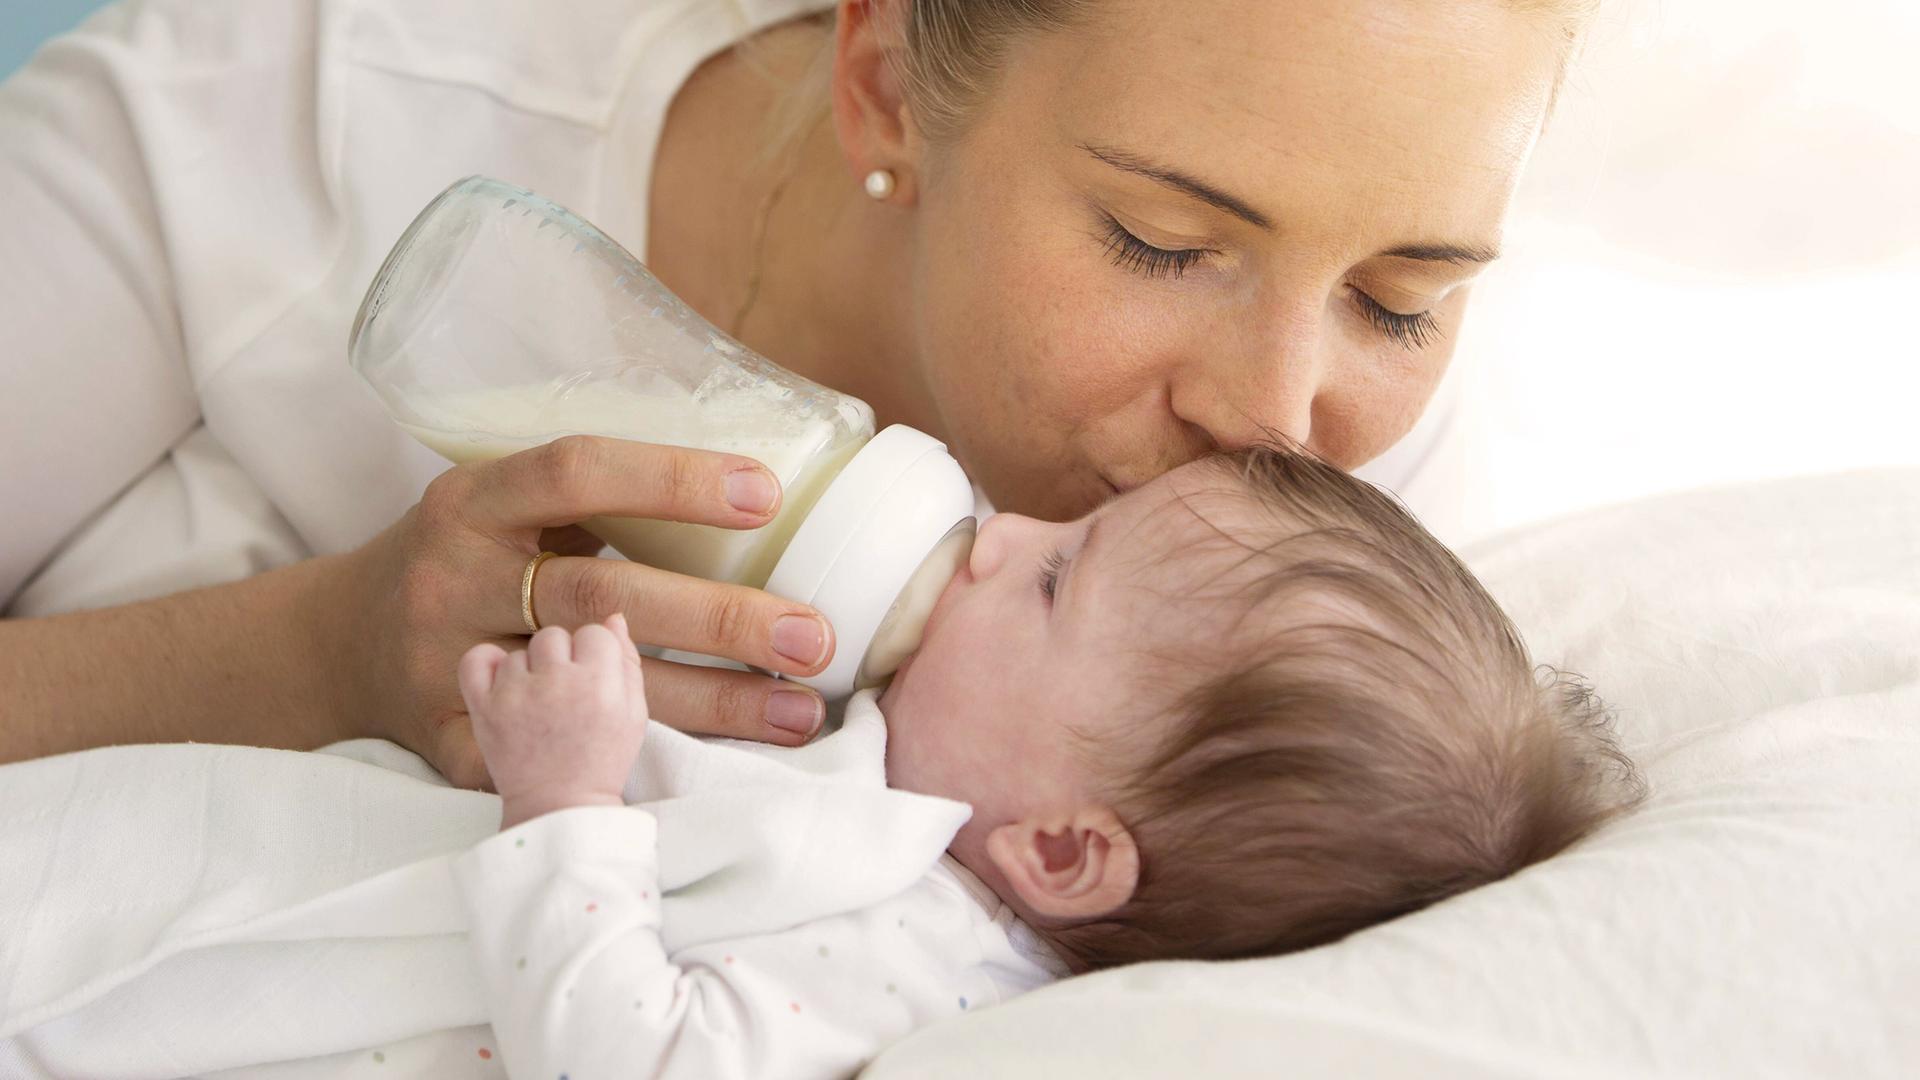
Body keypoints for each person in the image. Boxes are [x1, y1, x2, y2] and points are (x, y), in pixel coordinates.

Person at [0, 0, 1593, 787]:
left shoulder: (1360, 512)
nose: (1273, 416)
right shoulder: (261, 130)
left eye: (1406, 298)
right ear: (884, 78)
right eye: (1161, 241)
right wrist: (326, 657)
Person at [451, 444, 1643, 1078]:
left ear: (1064, 851)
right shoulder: (909, 765)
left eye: (1053, 580)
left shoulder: (922, 956)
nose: (999, 535)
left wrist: (563, 799)